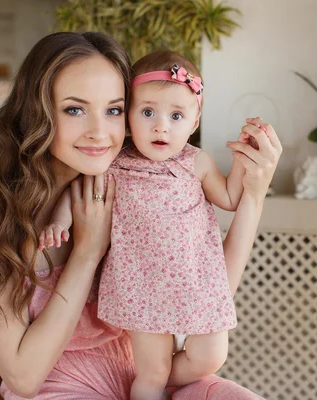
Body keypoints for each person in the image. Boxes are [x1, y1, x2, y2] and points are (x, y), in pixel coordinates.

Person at [0, 31, 282, 399]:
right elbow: (23, 377)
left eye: (113, 109)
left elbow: (210, 294)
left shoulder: (136, 188)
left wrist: (253, 198)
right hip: (57, 386)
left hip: (146, 374)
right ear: (38, 112)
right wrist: (87, 251)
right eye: (74, 109)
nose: (100, 133)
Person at [39, 50, 265, 399]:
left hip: (194, 284)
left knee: (211, 356)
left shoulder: (196, 162)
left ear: (194, 122)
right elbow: (79, 191)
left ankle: (154, 381)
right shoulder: (116, 163)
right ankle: (147, 387)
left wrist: (242, 161)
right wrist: (59, 219)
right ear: (128, 116)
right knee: (152, 373)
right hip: (141, 289)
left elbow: (232, 199)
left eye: (176, 115)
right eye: (148, 112)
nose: (161, 125)